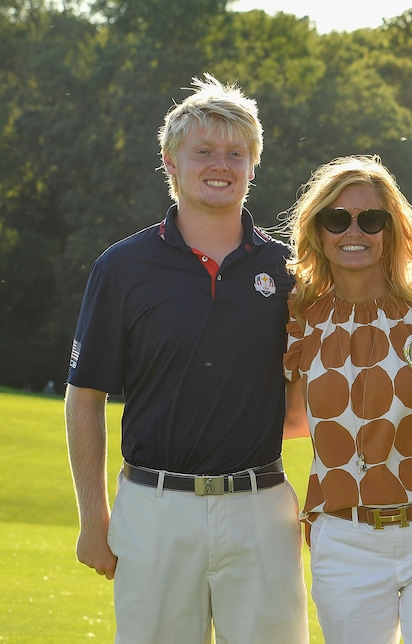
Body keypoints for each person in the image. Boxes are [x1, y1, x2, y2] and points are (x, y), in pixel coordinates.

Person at [64, 74, 309, 643]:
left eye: (236, 154)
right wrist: (93, 521)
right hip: (153, 510)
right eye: (203, 151)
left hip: (261, 509)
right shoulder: (122, 267)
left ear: (253, 166)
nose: (220, 164)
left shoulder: (291, 268)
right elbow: (85, 398)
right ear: (171, 163)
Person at [282, 154, 412, 644]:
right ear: (317, 231)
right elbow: (287, 420)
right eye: (337, 219)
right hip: (344, 536)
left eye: (371, 219)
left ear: (391, 230)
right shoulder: (301, 319)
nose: (354, 231)